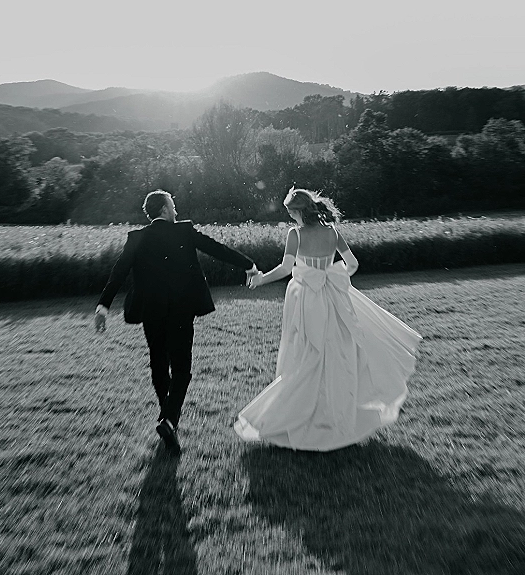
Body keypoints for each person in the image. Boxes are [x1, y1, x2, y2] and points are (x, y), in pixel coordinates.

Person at [234, 188, 422, 451]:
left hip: (305, 300)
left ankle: (300, 414)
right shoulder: (332, 232)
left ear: (298, 211)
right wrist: (335, 277)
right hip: (333, 299)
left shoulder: (295, 234)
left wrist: (261, 279)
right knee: (336, 352)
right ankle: (333, 413)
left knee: (306, 352)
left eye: (290, 211)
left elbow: (287, 269)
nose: (289, 216)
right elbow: (353, 264)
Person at [95, 190, 258, 453]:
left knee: (158, 361)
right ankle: (169, 419)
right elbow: (217, 249)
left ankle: (166, 417)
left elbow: (118, 272)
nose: (176, 210)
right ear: (163, 209)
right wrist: (248, 264)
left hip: (150, 311)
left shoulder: (137, 238)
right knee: (182, 367)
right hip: (181, 310)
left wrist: (103, 306)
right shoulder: (184, 232)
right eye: (172, 206)